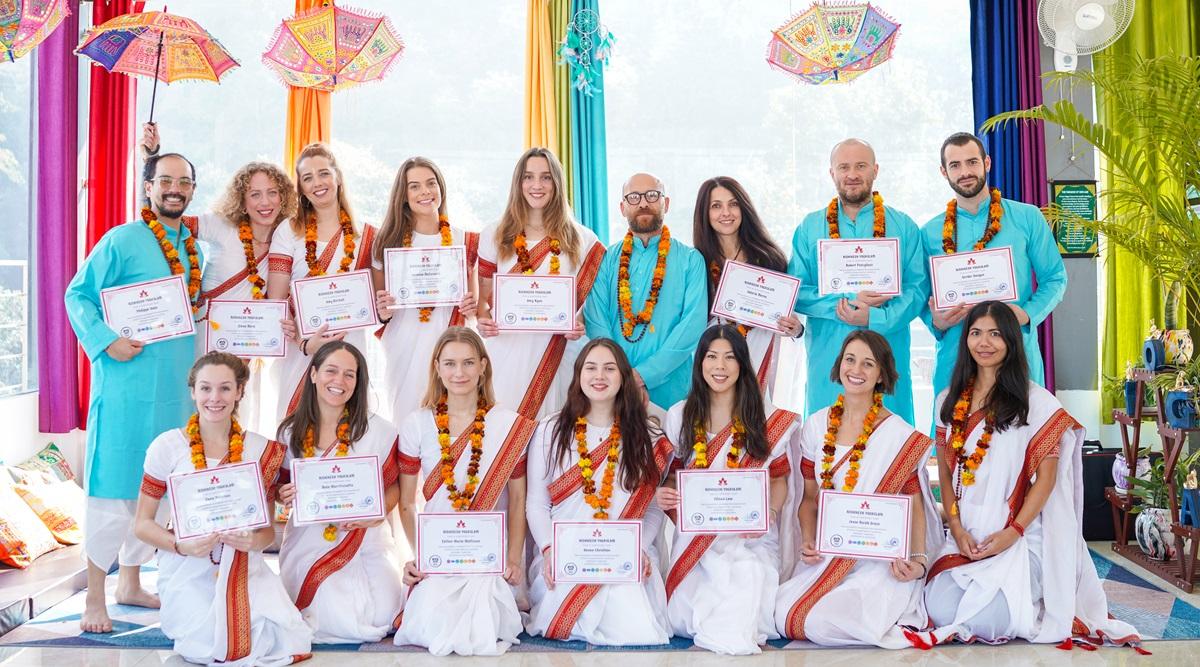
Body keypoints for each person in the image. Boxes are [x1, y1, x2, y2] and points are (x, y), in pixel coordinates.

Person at [914, 301, 1139, 648]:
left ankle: (1035, 596)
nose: (984, 342)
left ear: (1011, 340)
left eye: (995, 334)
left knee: (989, 620)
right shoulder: (948, 400)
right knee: (938, 607)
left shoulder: (1036, 402)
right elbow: (945, 471)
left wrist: (1012, 533)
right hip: (967, 533)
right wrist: (956, 528)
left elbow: (1046, 480)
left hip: (1020, 535)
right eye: (976, 333)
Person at [65, 151, 204, 633]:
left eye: (183, 182)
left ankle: (130, 583)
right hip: (124, 385)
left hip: (175, 390)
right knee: (115, 488)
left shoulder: (194, 249)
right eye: (165, 180)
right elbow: (77, 294)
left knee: (158, 487)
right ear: (148, 188)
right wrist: (107, 341)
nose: (174, 189)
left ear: (192, 190)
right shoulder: (121, 239)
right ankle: (95, 597)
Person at [134, 352, 313, 665]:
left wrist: (251, 541)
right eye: (205, 388)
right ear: (193, 392)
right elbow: (142, 525)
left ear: (240, 391)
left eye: (225, 388)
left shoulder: (261, 449)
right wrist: (182, 546)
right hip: (187, 566)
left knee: (279, 638)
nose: (214, 398)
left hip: (244, 564)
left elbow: (265, 533)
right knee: (204, 645)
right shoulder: (167, 447)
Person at [774, 330, 940, 648]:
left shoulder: (899, 435)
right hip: (829, 553)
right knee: (782, 613)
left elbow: (915, 505)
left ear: (881, 375)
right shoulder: (816, 426)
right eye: (850, 360)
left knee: (825, 621)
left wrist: (918, 562)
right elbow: (809, 498)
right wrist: (808, 539)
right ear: (840, 365)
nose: (856, 370)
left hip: (880, 560)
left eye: (868, 363)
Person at [143, 124, 297, 436]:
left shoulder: (289, 238)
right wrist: (150, 158)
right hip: (204, 340)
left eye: (272, 193)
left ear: (283, 198)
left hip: (249, 345)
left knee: (236, 423)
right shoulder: (220, 225)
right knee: (194, 417)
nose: (264, 202)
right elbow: (160, 219)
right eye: (255, 194)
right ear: (242, 199)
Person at [393, 327, 537, 655]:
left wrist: (513, 559)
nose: (459, 372)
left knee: (485, 624)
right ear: (437, 368)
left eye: (469, 362)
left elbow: (518, 499)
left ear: (483, 366)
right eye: (450, 363)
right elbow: (406, 503)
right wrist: (420, 556)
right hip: (439, 555)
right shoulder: (417, 423)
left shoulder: (508, 424)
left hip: (489, 556)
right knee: (432, 624)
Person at [656, 324, 797, 654]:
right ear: (700, 363)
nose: (719, 366)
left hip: (751, 536)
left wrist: (769, 513)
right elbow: (671, 477)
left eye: (729, 358)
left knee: (747, 576)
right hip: (697, 537)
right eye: (712, 357)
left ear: (742, 364)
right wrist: (666, 496)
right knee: (682, 615)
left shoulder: (766, 419)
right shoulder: (679, 415)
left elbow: (778, 479)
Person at [525, 339, 674, 645]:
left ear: (623, 377)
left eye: (609, 369)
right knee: (560, 614)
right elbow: (537, 504)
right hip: (565, 550)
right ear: (578, 375)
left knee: (632, 620)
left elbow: (652, 507)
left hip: (625, 551)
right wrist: (550, 551)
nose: (599, 376)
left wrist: (639, 549)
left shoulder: (647, 435)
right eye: (591, 368)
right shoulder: (551, 429)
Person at [788, 139, 928, 423]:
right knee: (825, 436)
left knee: (891, 438)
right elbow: (797, 291)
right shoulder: (809, 227)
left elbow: (917, 290)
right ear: (832, 173)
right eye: (844, 167)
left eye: (861, 166)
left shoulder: (903, 226)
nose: (852, 174)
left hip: (886, 351)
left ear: (875, 170)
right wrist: (847, 304)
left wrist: (875, 317)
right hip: (828, 355)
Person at [921, 132, 1068, 399]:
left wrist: (1026, 314)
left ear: (986, 163)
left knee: (1025, 423)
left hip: (1015, 350)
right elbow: (921, 295)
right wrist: (936, 322)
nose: (965, 172)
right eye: (955, 165)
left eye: (972, 162)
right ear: (944, 172)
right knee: (952, 425)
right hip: (955, 355)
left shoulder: (1027, 217)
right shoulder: (929, 232)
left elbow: (1055, 278)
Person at [275, 342, 404, 643]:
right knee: (327, 610)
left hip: (365, 536)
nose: (339, 381)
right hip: (309, 538)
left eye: (349, 374)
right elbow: (279, 488)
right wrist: (284, 493)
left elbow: (394, 487)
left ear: (358, 382)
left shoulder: (380, 431)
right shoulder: (289, 431)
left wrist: (375, 517)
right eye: (331, 371)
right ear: (314, 374)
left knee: (382, 614)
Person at [477, 147, 606, 420]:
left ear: (557, 183)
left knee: (556, 433)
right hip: (507, 354)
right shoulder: (494, 234)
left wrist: (579, 323)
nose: (537, 185)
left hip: (559, 355)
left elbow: (592, 309)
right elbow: (483, 302)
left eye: (546, 177)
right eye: (528, 177)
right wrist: (484, 321)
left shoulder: (583, 239)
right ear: (518, 182)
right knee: (505, 430)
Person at [267, 143, 376, 420]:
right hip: (301, 350)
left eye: (324, 173)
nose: (317, 183)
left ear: (337, 177)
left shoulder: (367, 235)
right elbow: (276, 303)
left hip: (350, 346)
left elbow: (377, 302)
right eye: (308, 178)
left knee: (346, 425)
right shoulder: (288, 231)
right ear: (301, 189)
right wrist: (305, 344)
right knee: (297, 426)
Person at [583, 173, 707, 413]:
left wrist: (642, 376)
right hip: (613, 389)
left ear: (666, 203)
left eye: (652, 195)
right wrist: (619, 375)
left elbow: (692, 327)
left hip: (672, 392)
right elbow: (596, 321)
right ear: (622, 208)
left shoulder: (691, 260)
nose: (643, 203)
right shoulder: (606, 260)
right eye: (633, 197)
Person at [371, 157, 479, 424]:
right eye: (415, 186)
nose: (425, 192)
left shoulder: (465, 240)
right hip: (404, 343)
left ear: (441, 187)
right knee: (407, 421)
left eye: (431, 183)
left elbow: (476, 307)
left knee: (454, 425)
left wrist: (471, 306)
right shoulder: (387, 242)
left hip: (451, 345)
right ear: (403, 195)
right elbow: (378, 311)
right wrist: (383, 310)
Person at [692, 177, 803, 401]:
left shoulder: (770, 259)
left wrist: (796, 329)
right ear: (705, 213)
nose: (726, 213)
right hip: (715, 365)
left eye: (733, 204)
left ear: (744, 208)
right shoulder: (696, 262)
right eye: (716, 206)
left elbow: (791, 318)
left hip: (763, 359)